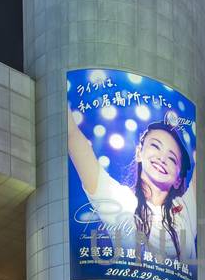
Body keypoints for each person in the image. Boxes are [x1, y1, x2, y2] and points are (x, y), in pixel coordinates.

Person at [68, 108, 197, 266]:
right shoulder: (121, 201)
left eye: (172, 158)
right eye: (156, 146)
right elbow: (73, 136)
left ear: (178, 180)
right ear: (138, 153)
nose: (162, 158)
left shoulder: (185, 210)